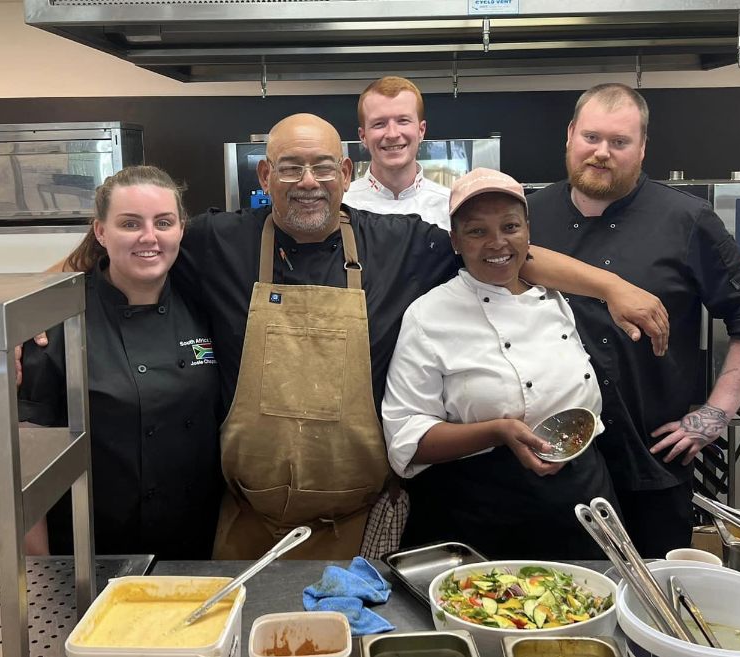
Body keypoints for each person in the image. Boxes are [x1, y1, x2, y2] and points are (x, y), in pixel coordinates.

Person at [37, 113, 669, 560]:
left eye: (320, 166)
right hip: (243, 521)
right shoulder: (214, 239)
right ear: (265, 176)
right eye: (289, 167)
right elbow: (125, 244)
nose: (306, 181)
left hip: (360, 524)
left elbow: (503, 254)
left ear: (345, 170)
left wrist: (609, 288)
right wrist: (31, 312)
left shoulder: (398, 243)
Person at [527, 83, 740, 558]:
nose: (602, 153)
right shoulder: (527, 216)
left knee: (655, 604)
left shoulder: (687, 219)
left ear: (642, 147)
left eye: (619, 142)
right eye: (592, 138)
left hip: (653, 461)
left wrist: (715, 415)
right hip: (551, 462)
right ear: (571, 134)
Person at [381, 168, 617, 560]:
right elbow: (407, 439)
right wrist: (498, 431)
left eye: (510, 226)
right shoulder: (429, 315)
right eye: (476, 231)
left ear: (528, 233)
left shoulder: (556, 300)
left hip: (581, 495)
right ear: (455, 240)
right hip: (481, 508)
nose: (497, 243)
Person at [19, 165, 222, 560]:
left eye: (163, 222)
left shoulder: (206, 302)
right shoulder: (56, 323)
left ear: (181, 228)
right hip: (88, 555)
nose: (149, 237)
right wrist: (41, 578)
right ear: (100, 232)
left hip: (197, 549)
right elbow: (27, 473)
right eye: (130, 224)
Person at [343, 76, 452, 230]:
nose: (392, 134)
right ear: (363, 136)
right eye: (379, 124)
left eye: (403, 121)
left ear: (421, 130)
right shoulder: (342, 206)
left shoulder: (451, 207)